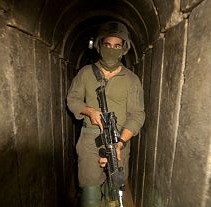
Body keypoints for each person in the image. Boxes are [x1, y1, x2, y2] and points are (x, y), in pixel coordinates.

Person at [67, 21, 145, 207]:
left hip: (118, 142)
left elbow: (137, 115)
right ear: (100, 46)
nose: (112, 49)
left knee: (114, 194)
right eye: (108, 45)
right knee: (90, 195)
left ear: (123, 48)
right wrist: (89, 111)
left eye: (117, 46)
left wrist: (120, 143)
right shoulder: (85, 73)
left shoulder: (132, 80)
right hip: (89, 140)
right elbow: (73, 99)